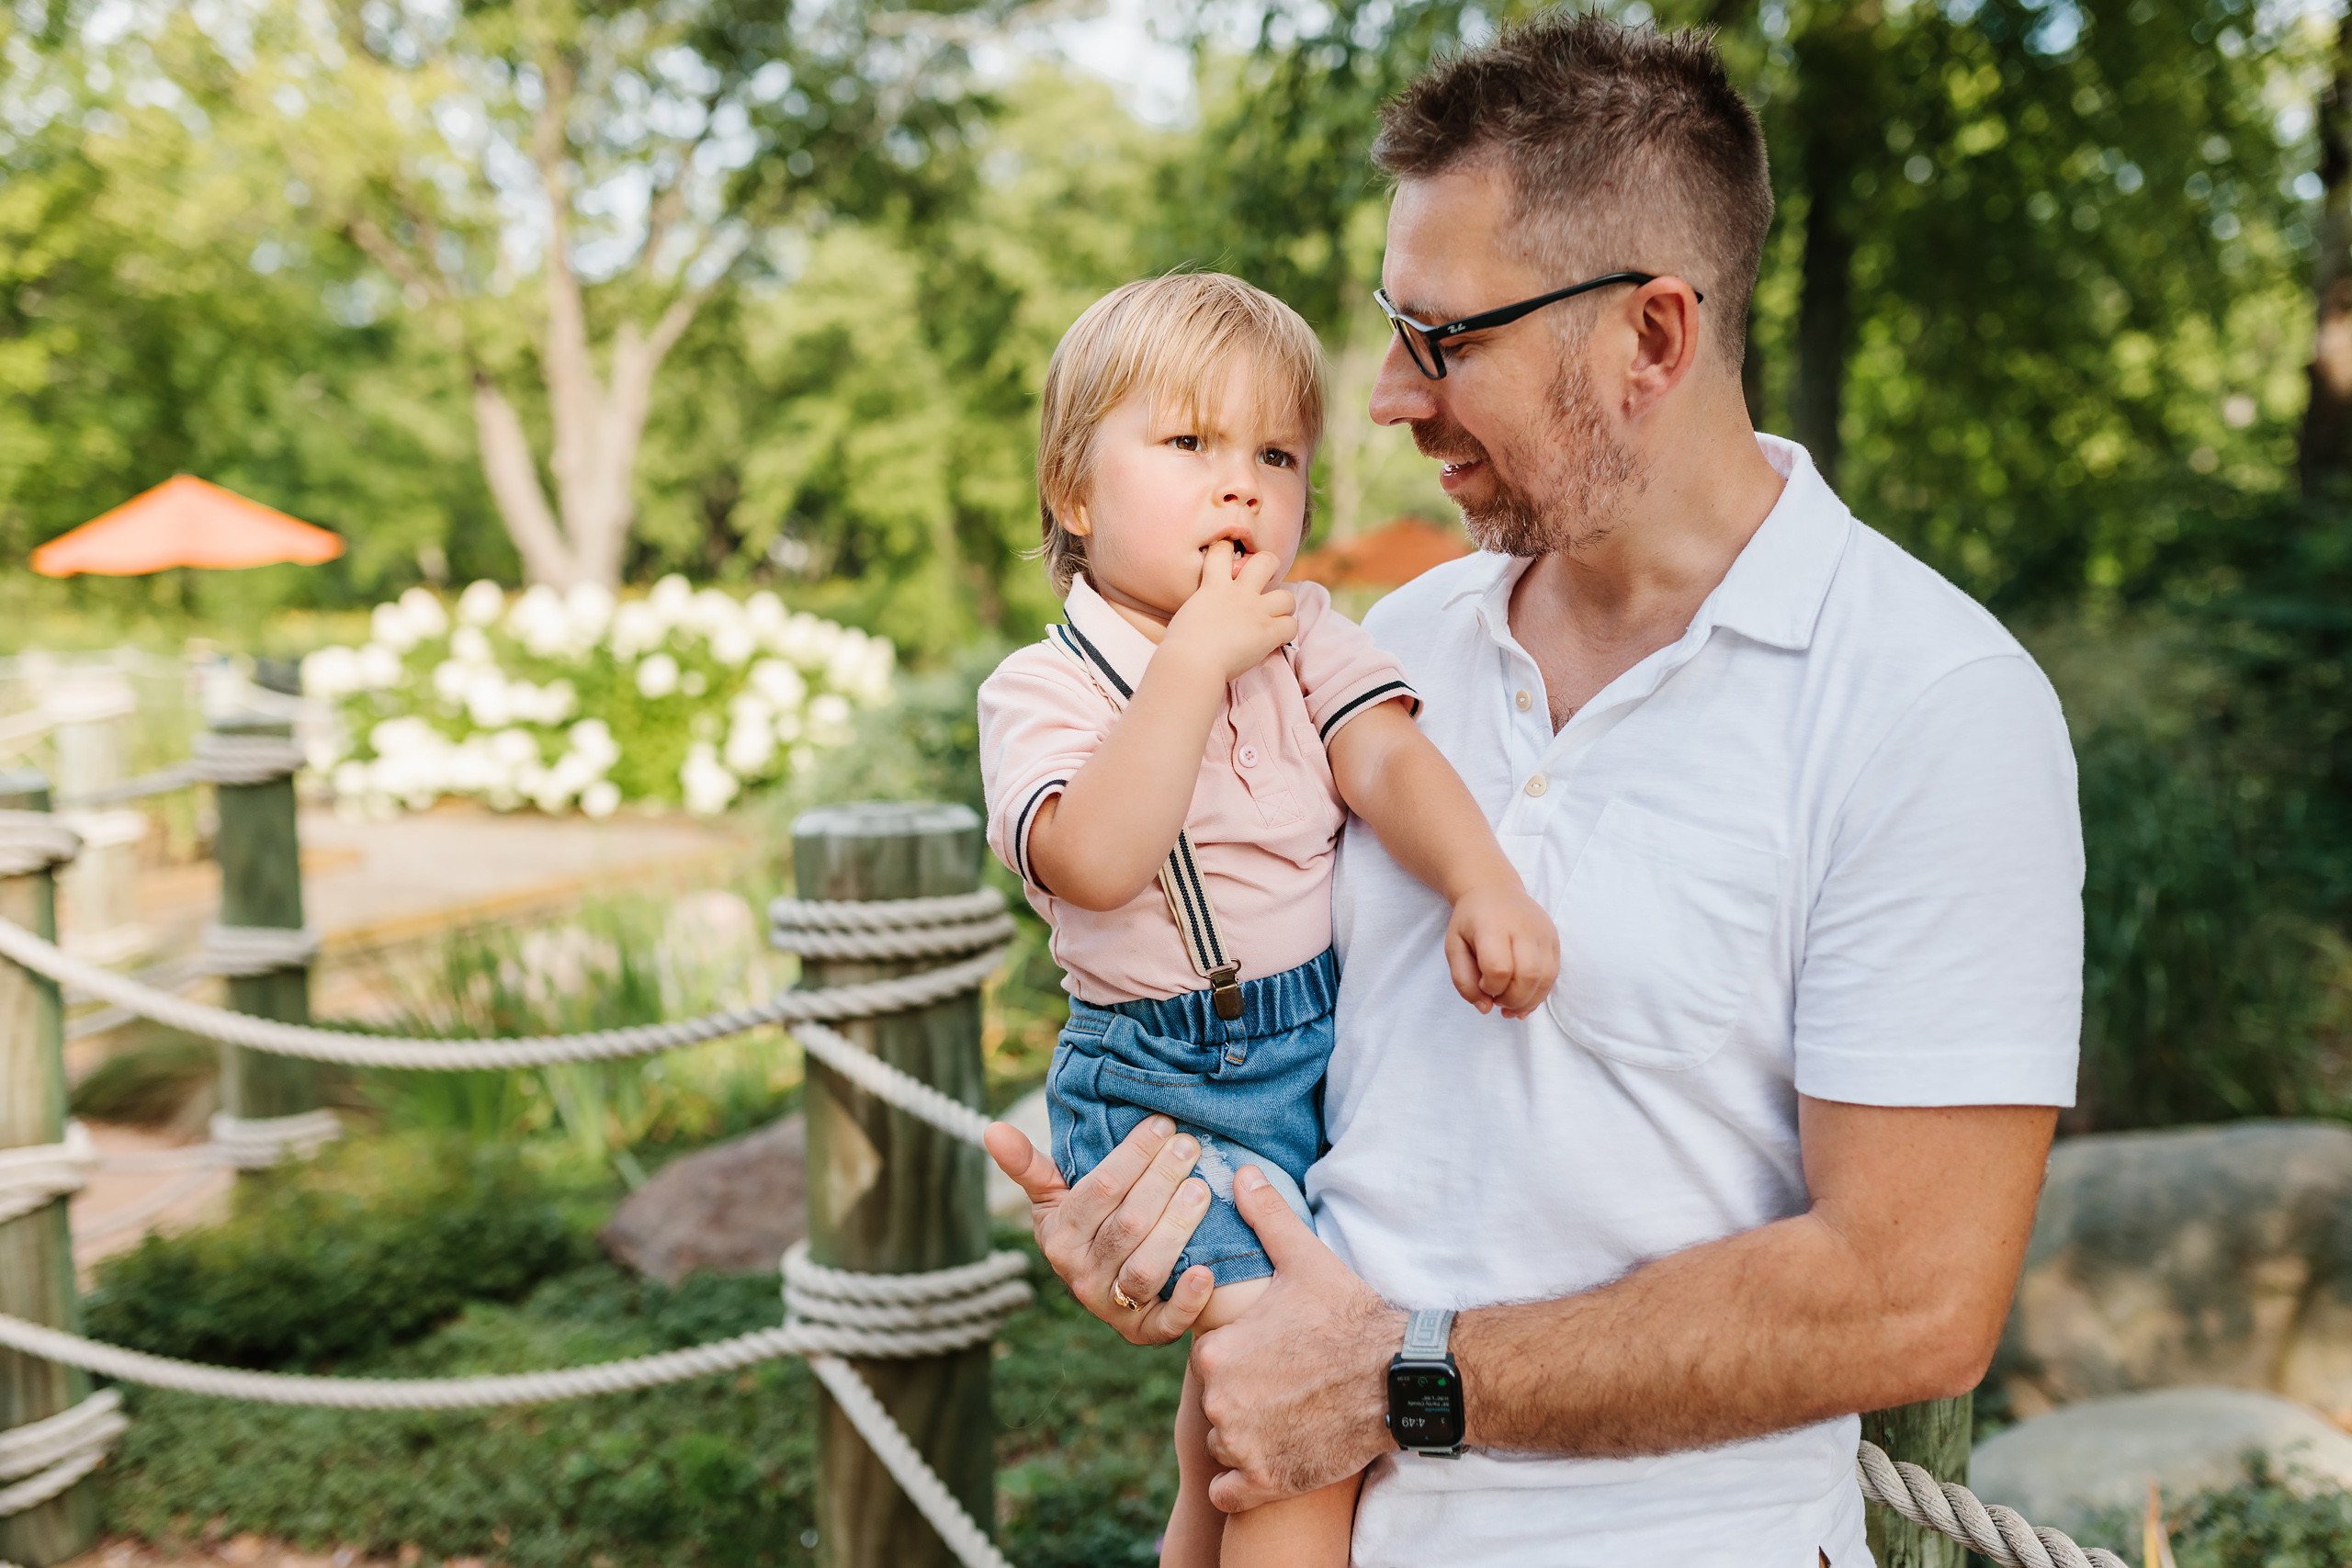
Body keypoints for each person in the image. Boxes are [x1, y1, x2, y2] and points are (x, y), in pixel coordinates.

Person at [985, 14, 2084, 1566]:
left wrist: (1399, 1382)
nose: (1382, 399)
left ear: (1649, 338)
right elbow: (1263, 1052)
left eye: (1449, 339)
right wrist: (1154, 1222)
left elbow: (1912, 1299)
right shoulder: (1388, 641)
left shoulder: (1931, 705)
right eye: (1392, 323)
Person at [976, 272, 1559, 1566]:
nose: (1240, 485)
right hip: (1168, 1086)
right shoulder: (1042, 690)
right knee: (1300, 1429)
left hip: (1315, 1055)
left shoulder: (1307, 636)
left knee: (1228, 1432)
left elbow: (1389, 761)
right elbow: (1100, 860)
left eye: (1276, 453)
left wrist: (1483, 882)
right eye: (1187, 444)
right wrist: (1190, 661)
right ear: (1075, 494)